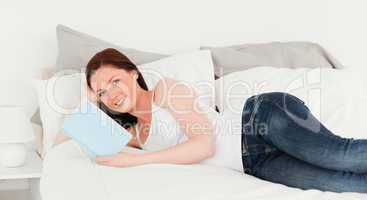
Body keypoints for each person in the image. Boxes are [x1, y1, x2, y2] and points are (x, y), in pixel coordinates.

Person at [54, 48, 367, 193]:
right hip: (254, 164)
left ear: (133, 73)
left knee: (341, 156)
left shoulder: (166, 90)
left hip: (260, 119)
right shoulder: (134, 134)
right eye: (101, 92)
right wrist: (89, 96)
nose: (111, 93)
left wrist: (139, 162)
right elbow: (66, 131)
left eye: (115, 81)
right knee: (342, 184)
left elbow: (203, 146)